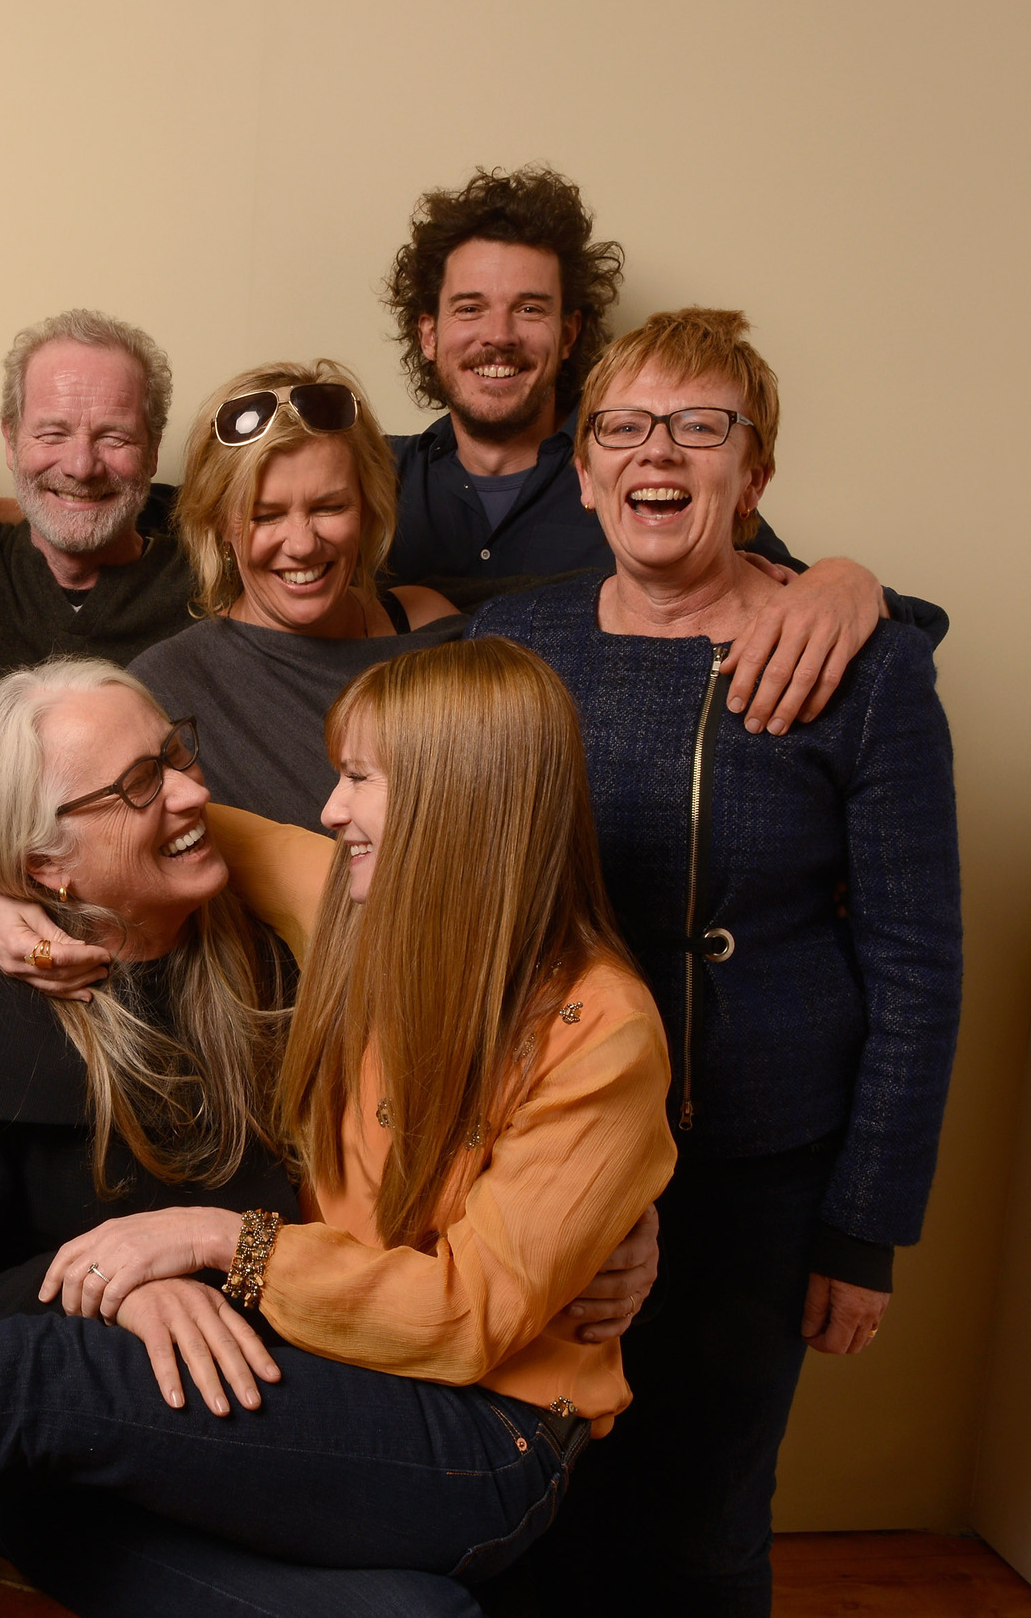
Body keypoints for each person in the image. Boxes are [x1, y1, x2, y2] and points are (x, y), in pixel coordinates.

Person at [0, 637, 677, 1607]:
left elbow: (467, 1310)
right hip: (289, 1399)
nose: (326, 807)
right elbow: (39, 820)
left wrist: (219, 1240)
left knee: (61, 1373)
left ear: (458, 807)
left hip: (473, 1431)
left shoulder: (582, 1019)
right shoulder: (349, 897)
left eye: (357, 778)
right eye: (143, 776)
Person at [466, 308, 962, 1617]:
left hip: (759, 1174)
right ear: (582, 471)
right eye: (624, 426)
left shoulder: (864, 663)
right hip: (552, 1158)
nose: (659, 451)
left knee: (704, 1528)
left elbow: (920, 968)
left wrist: (865, 1232)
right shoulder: (515, 644)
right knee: (529, 1510)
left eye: (702, 426)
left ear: (758, 472)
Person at [0, 655, 485, 1617]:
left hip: (305, 1411)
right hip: (96, 1476)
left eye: (176, 755)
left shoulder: (282, 946)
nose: (196, 790)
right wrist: (108, 1296)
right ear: (45, 866)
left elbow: (454, 1109)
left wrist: (589, 1224)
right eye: (141, 785)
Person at [381, 163, 946, 737]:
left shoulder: (647, 475)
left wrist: (844, 580)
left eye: (529, 308)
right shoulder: (372, 478)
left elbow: (830, 618)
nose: (498, 334)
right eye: (469, 307)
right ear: (428, 334)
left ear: (570, 333)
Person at [130, 359, 463, 830]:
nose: (303, 544)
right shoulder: (167, 687)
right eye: (265, 515)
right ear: (220, 522)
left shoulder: (429, 622)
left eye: (330, 506)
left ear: (368, 507)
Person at [0, 310, 198, 718]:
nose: (81, 467)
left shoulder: (209, 586)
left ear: (152, 452)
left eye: (114, 437)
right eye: (52, 434)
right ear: (11, 442)